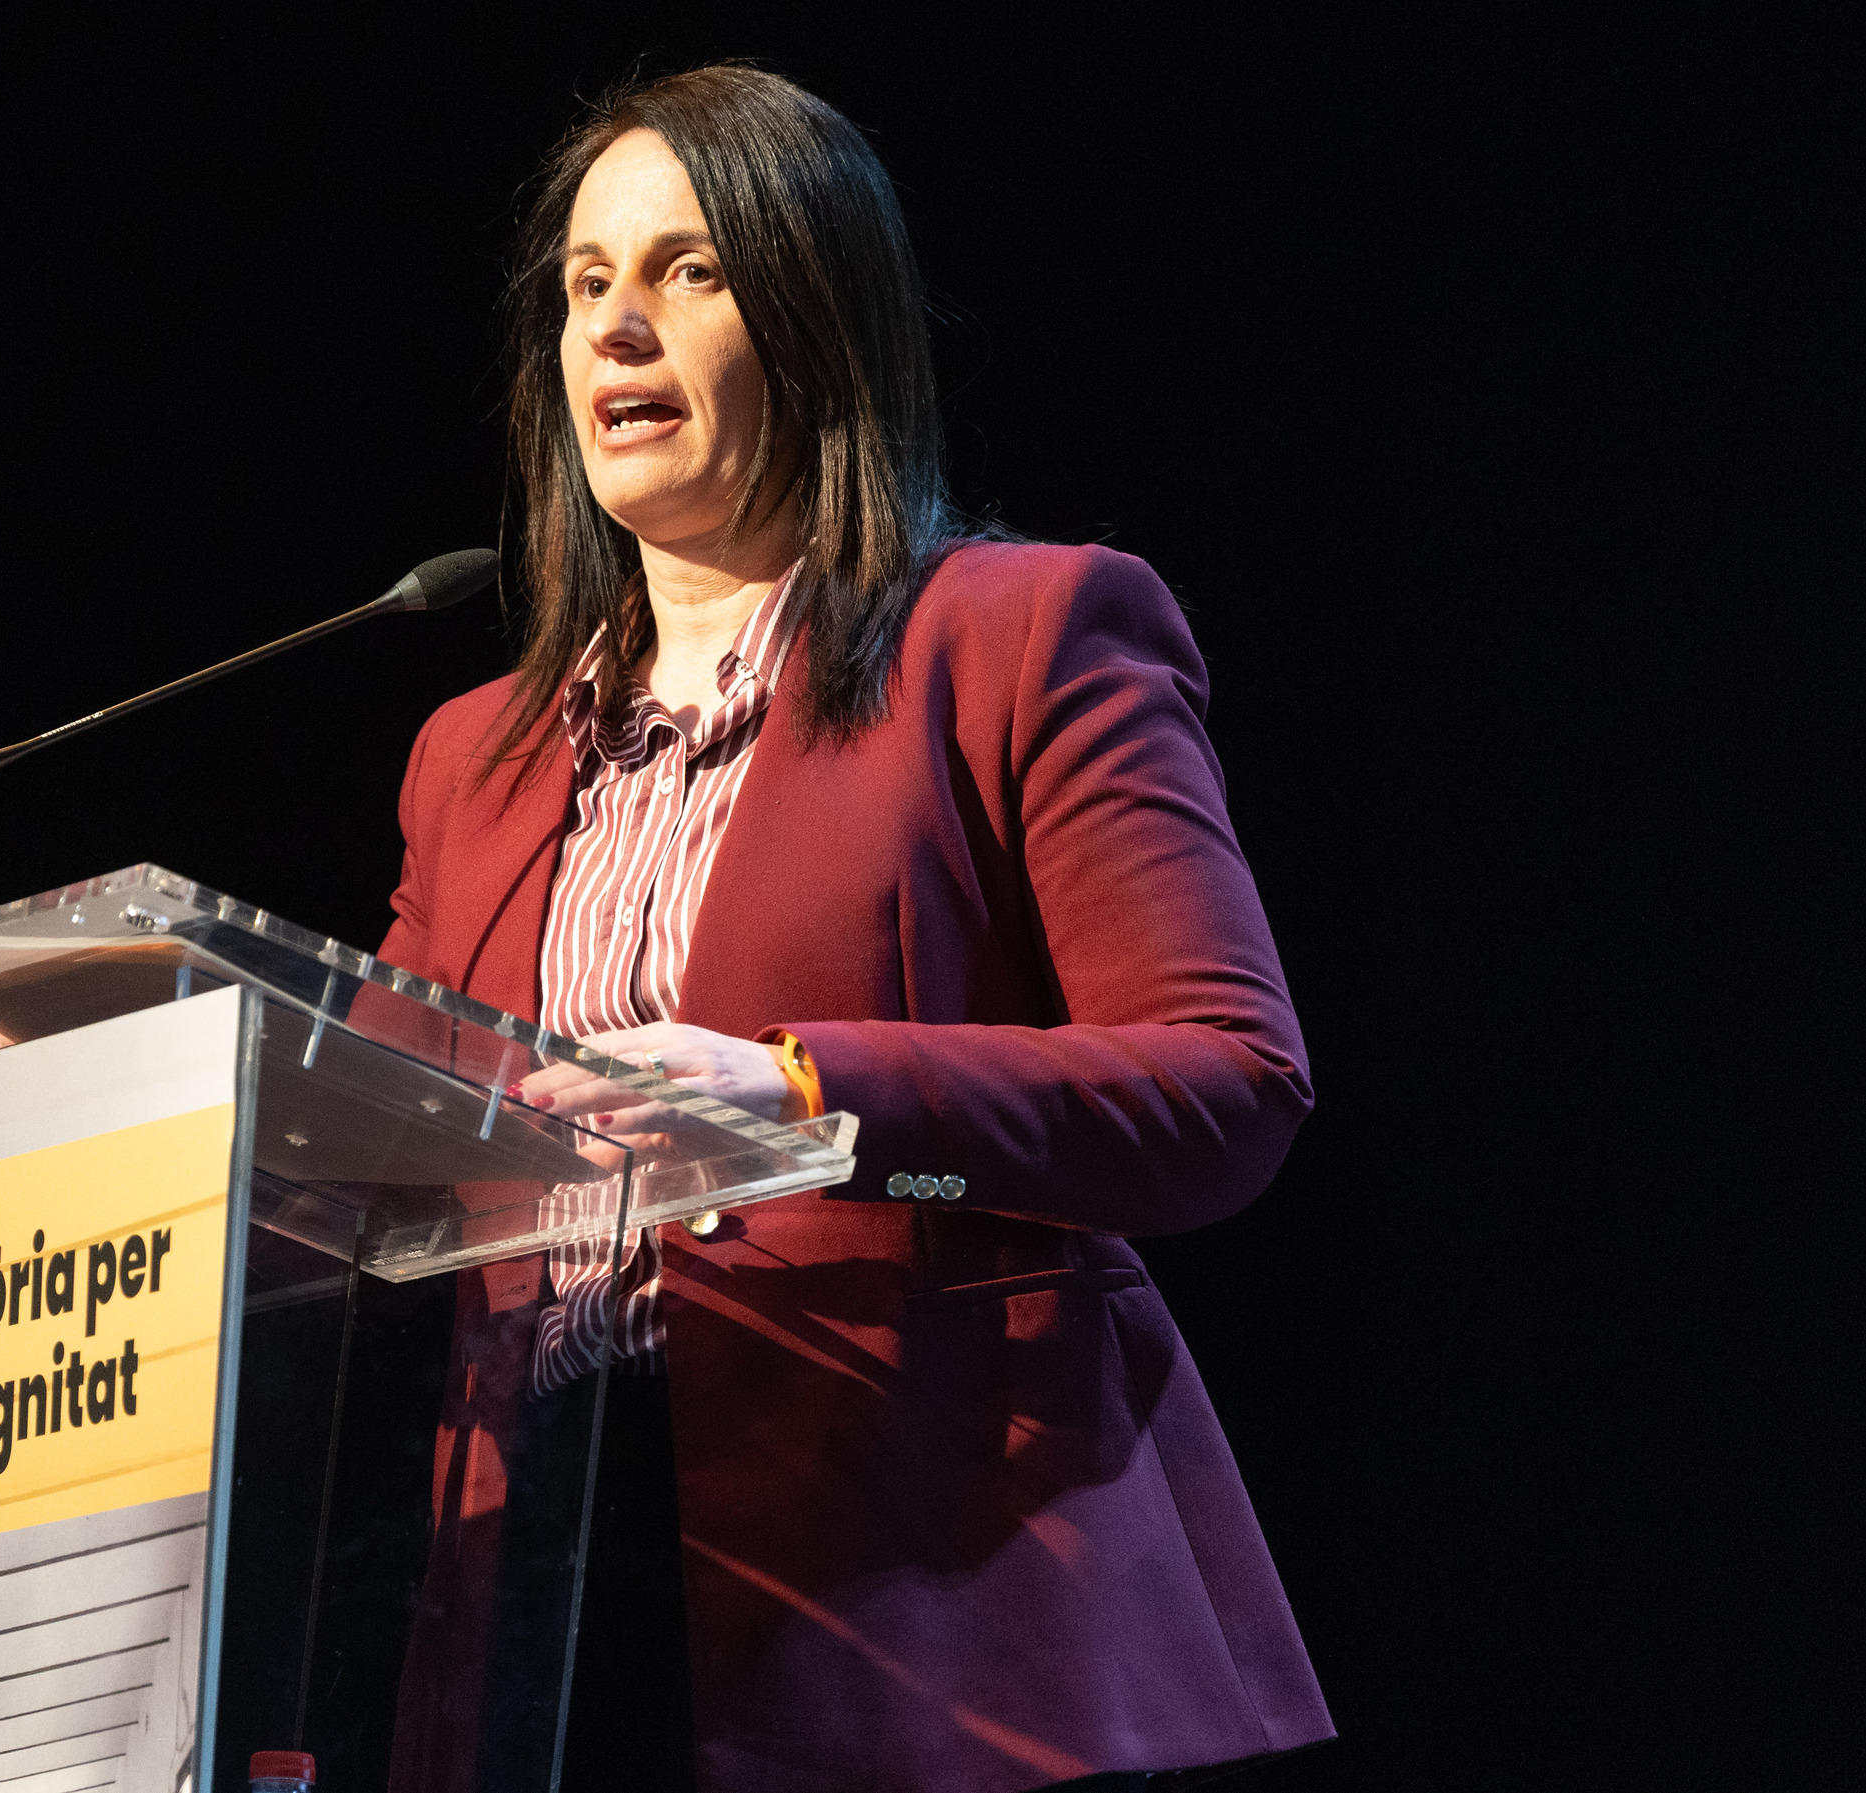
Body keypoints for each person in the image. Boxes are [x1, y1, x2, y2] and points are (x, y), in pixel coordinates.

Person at [377, 65, 1331, 1793]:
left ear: (816, 315)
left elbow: (1228, 1091)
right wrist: (102, 1062)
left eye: (686, 270)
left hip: (932, 1593)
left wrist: (815, 1108)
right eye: (585, 284)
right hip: (542, 1598)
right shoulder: (476, 758)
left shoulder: (1023, 637)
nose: (615, 329)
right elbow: (386, 1129)